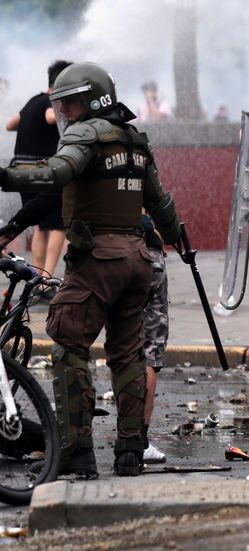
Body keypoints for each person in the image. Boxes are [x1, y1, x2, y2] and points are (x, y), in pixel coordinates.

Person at [0, 62, 182, 477]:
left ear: (90, 99)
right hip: (139, 259)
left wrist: (5, 175)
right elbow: (161, 204)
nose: (65, 112)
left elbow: (56, 175)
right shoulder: (135, 140)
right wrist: (178, 241)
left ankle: (76, 453)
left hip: (97, 258)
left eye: (69, 103)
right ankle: (131, 452)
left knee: (69, 347)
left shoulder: (86, 133)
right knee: (129, 355)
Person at [5, 59, 72, 278]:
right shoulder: (51, 103)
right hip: (41, 172)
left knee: (41, 227)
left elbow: (10, 124)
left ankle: (37, 277)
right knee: (59, 226)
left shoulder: (33, 100)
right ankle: (46, 279)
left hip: (21, 171)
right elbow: (50, 117)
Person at [140, 213, 168, 464]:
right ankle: (139, 440)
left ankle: (126, 436)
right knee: (150, 350)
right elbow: (164, 210)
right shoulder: (140, 171)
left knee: (121, 346)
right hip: (148, 254)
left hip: (107, 256)